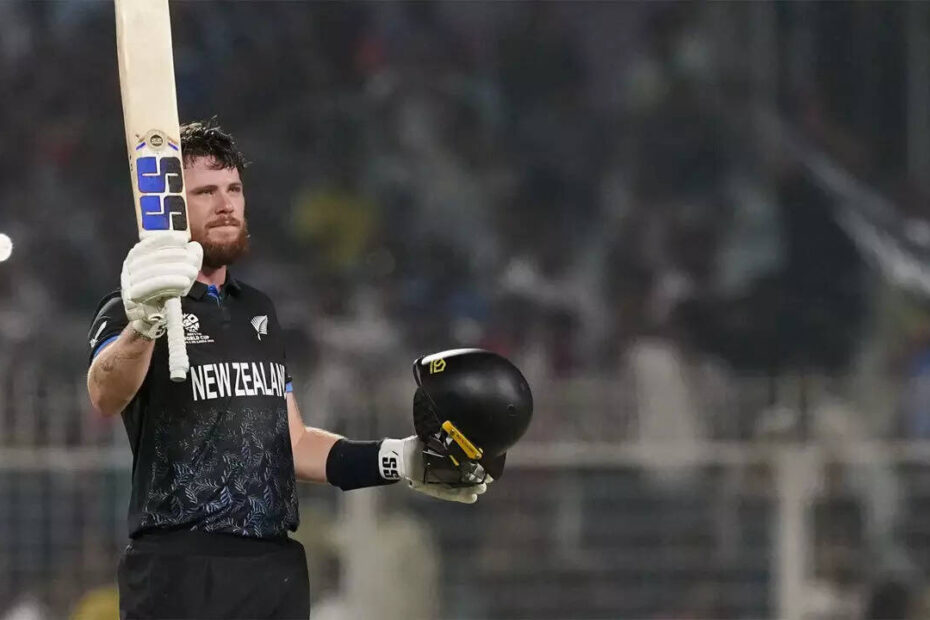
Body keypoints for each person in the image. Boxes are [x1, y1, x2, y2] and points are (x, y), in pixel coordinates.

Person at [85, 120, 488, 620]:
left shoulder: (258, 309)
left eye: (233, 189)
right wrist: (145, 323)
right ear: (169, 208)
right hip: (180, 567)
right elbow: (104, 394)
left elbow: (292, 444)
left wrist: (399, 458)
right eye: (206, 192)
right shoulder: (131, 307)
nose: (226, 204)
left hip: (273, 567)